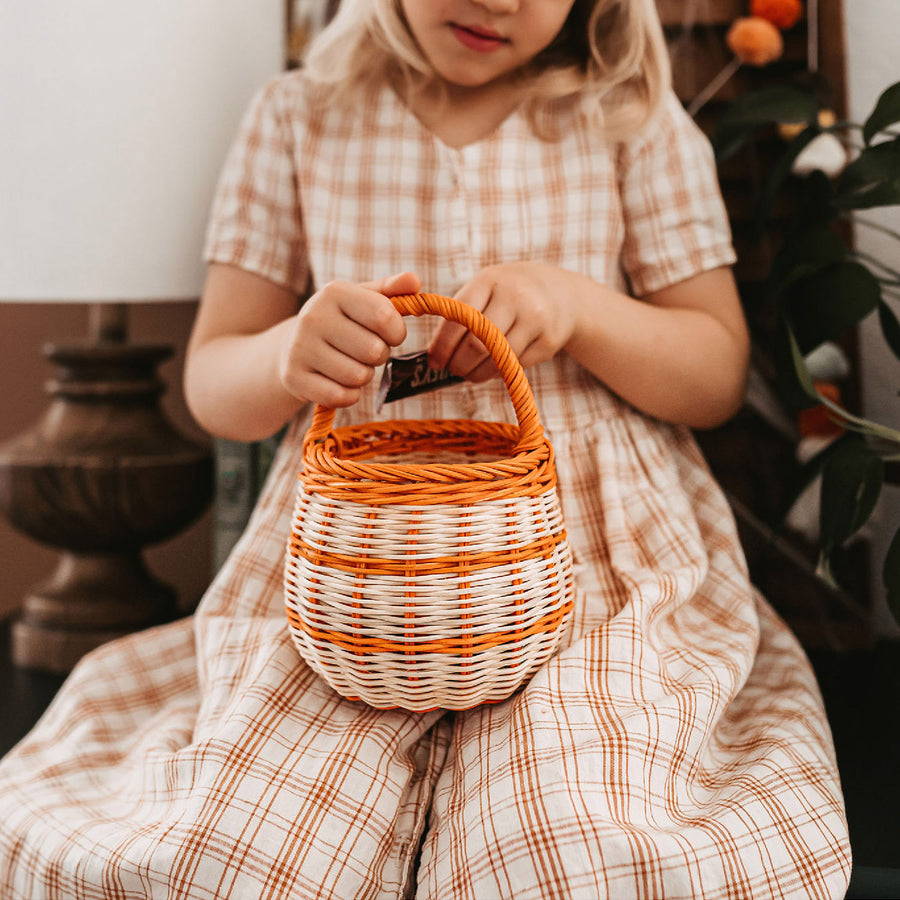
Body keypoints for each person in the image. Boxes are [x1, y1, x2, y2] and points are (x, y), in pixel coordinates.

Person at [0, 0, 852, 897]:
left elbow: (714, 374)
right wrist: (291, 353)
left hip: (586, 563)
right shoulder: (299, 115)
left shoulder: (627, 114)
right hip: (347, 571)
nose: (502, 2)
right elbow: (216, 385)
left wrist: (577, 307)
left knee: (577, 848)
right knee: (232, 853)